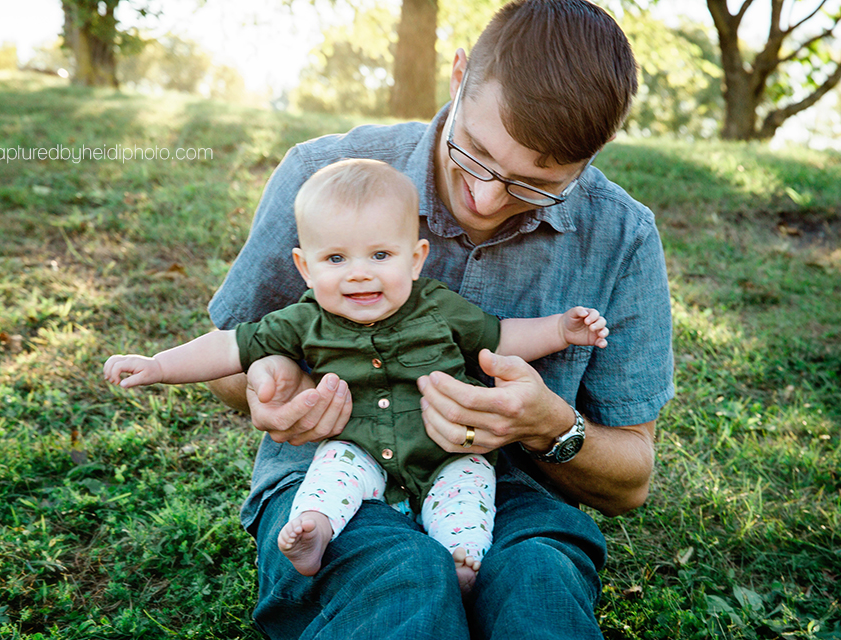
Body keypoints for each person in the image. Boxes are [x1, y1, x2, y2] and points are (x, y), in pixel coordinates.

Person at [205, 0, 674, 637]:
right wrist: (275, 384)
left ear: (590, 159)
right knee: (401, 580)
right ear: (458, 77)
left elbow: (630, 480)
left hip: (518, 498)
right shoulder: (323, 177)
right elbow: (228, 358)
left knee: (537, 589)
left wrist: (548, 426)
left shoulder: (622, 236)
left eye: (535, 184)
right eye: (475, 153)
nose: (486, 198)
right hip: (339, 478)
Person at [103, 158, 611, 594]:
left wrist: (562, 330)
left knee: (472, 489)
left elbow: (502, 337)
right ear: (305, 268)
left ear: (416, 260)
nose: (359, 273)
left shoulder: (438, 308)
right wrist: (159, 366)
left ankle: (461, 562)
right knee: (329, 473)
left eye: (381, 255)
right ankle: (316, 532)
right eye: (336, 258)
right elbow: (231, 345)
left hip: (447, 453)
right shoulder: (304, 320)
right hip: (360, 449)